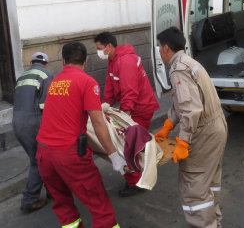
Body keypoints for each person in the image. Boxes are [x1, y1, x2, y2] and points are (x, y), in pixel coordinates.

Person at [36, 42, 126, 228]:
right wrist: (113, 154)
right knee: (99, 204)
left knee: (64, 206)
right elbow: (97, 121)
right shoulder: (87, 82)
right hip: (68, 154)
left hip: (44, 154)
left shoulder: (55, 83)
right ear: (86, 61)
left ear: (62, 61)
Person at [154, 27, 228, 228]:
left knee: (194, 186)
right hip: (216, 127)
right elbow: (183, 102)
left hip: (203, 132)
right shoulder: (189, 63)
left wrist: (183, 142)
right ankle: (214, 222)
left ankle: (205, 225)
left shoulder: (178, 70)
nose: (159, 51)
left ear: (167, 48)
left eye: (159, 47)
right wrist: (169, 124)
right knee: (209, 180)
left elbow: (191, 110)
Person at [94, 31, 160, 197]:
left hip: (141, 108)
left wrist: (125, 118)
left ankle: (136, 181)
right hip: (134, 108)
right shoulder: (113, 60)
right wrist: (106, 104)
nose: (98, 52)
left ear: (109, 47)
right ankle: (139, 169)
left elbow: (130, 92)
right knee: (130, 143)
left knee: (128, 146)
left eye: (99, 48)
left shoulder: (125, 61)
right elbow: (110, 86)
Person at [12, 52, 53, 213]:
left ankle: (53, 191)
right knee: (40, 160)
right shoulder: (46, 74)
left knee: (43, 159)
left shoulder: (22, 77)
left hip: (18, 122)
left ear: (31, 62)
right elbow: (45, 106)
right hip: (34, 122)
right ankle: (29, 200)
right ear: (46, 63)